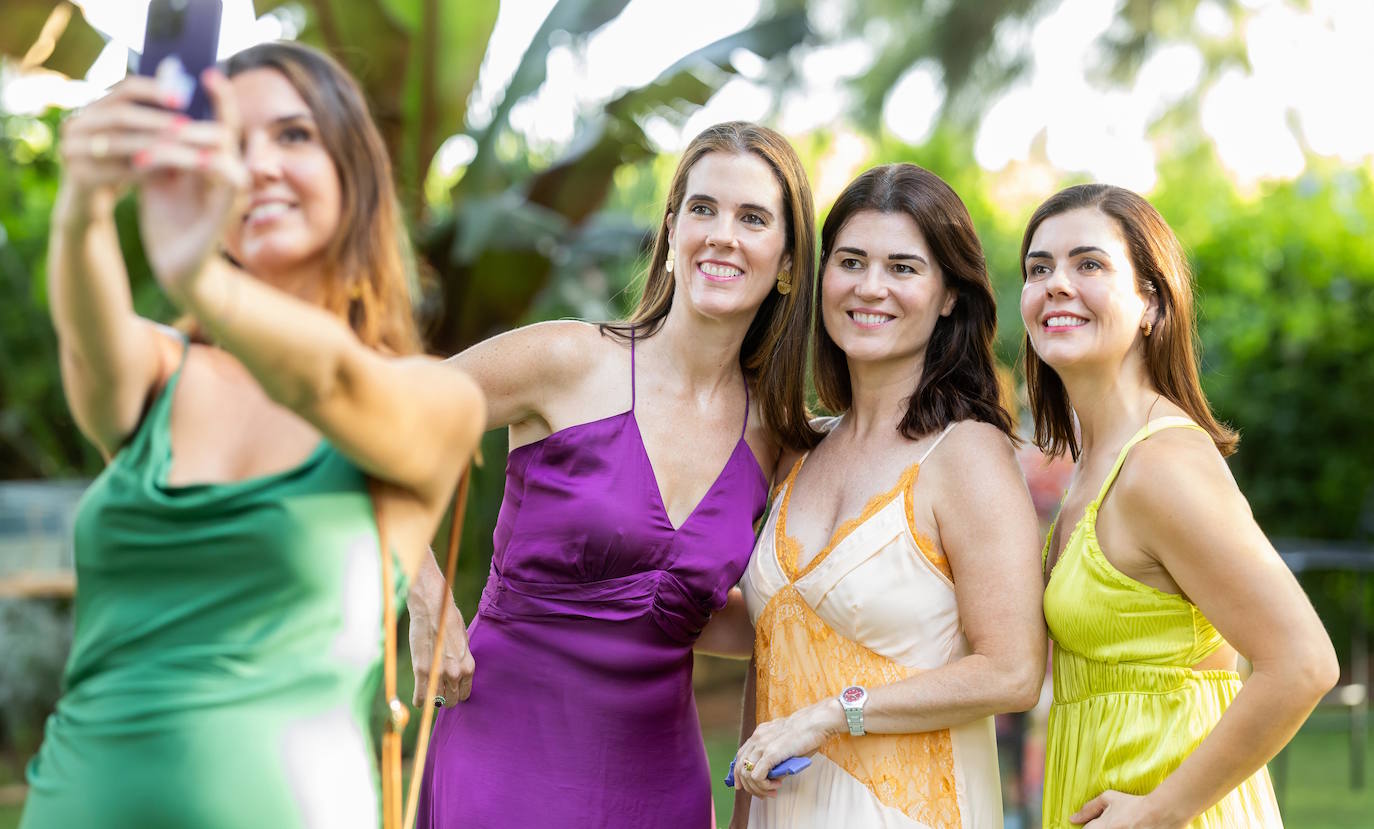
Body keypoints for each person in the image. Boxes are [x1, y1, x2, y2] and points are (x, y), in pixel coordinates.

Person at [21, 42, 484, 829]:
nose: (258, 165)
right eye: (230, 145)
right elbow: (87, 334)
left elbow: (325, 380)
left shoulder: (433, 400)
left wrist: (200, 276)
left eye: (292, 136)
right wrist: (84, 202)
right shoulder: (159, 374)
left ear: (352, 170)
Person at [410, 121, 822, 827]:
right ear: (671, 232)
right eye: (703, 209)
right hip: (504, 743)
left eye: (752, 218)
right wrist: (427, 593)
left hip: (659, 780)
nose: (722, 234)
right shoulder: (568, 362)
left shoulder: (777, 437)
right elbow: (365, 428)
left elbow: (725, 614)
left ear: (786, 262)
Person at [730, 163, 1046, 828]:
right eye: (851, 261)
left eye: (903, 267)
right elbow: (770, 658)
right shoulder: (798, 448)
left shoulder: (968, 455)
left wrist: (832, 713)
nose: (871, 286)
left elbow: (1013, 671)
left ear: (949, 295)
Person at [1022, 184, 1338, 828]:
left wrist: (1159, 811)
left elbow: (1303, 662)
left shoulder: (1160, 466)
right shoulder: (1092, 466)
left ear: (1151, 304)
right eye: (1039, 268)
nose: (1056, 283)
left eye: (1089, 264)